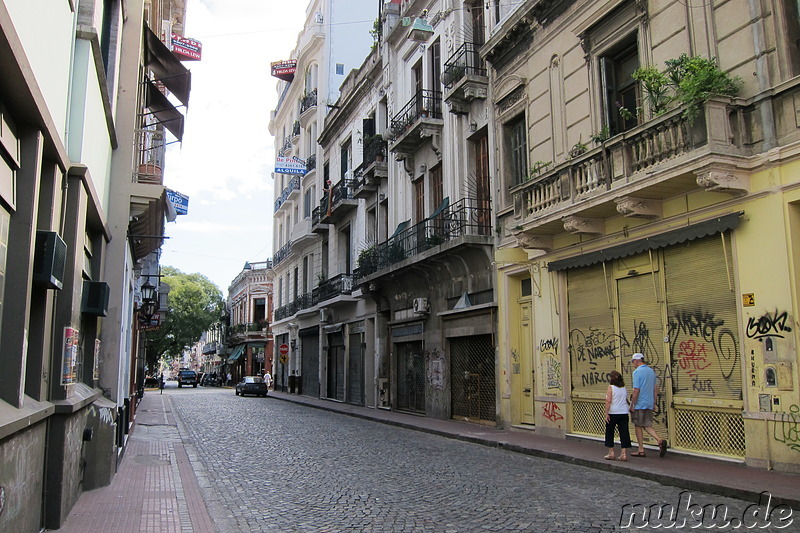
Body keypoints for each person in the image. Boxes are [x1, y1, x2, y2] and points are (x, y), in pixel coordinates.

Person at [629, 353, 667, 457]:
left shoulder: (637, 372)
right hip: (649, 402)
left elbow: (636, 390)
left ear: (637, 361)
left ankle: (641, 449)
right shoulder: (651, 372)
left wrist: (632, 404)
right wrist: (654, 403)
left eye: (633, 361)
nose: (632, 364)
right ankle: (659, 440)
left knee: (638, 425)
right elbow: (655, 389)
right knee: (647, 424)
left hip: (639, 403)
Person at [604, 370, 631, 461]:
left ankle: (611, 452)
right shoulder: (623, 388)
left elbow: (608, 400)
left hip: (613, 412)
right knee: (624, 432)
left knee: (610, 432)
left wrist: (606, 413)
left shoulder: (610, 387)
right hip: (623, 412)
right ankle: (623, 454)